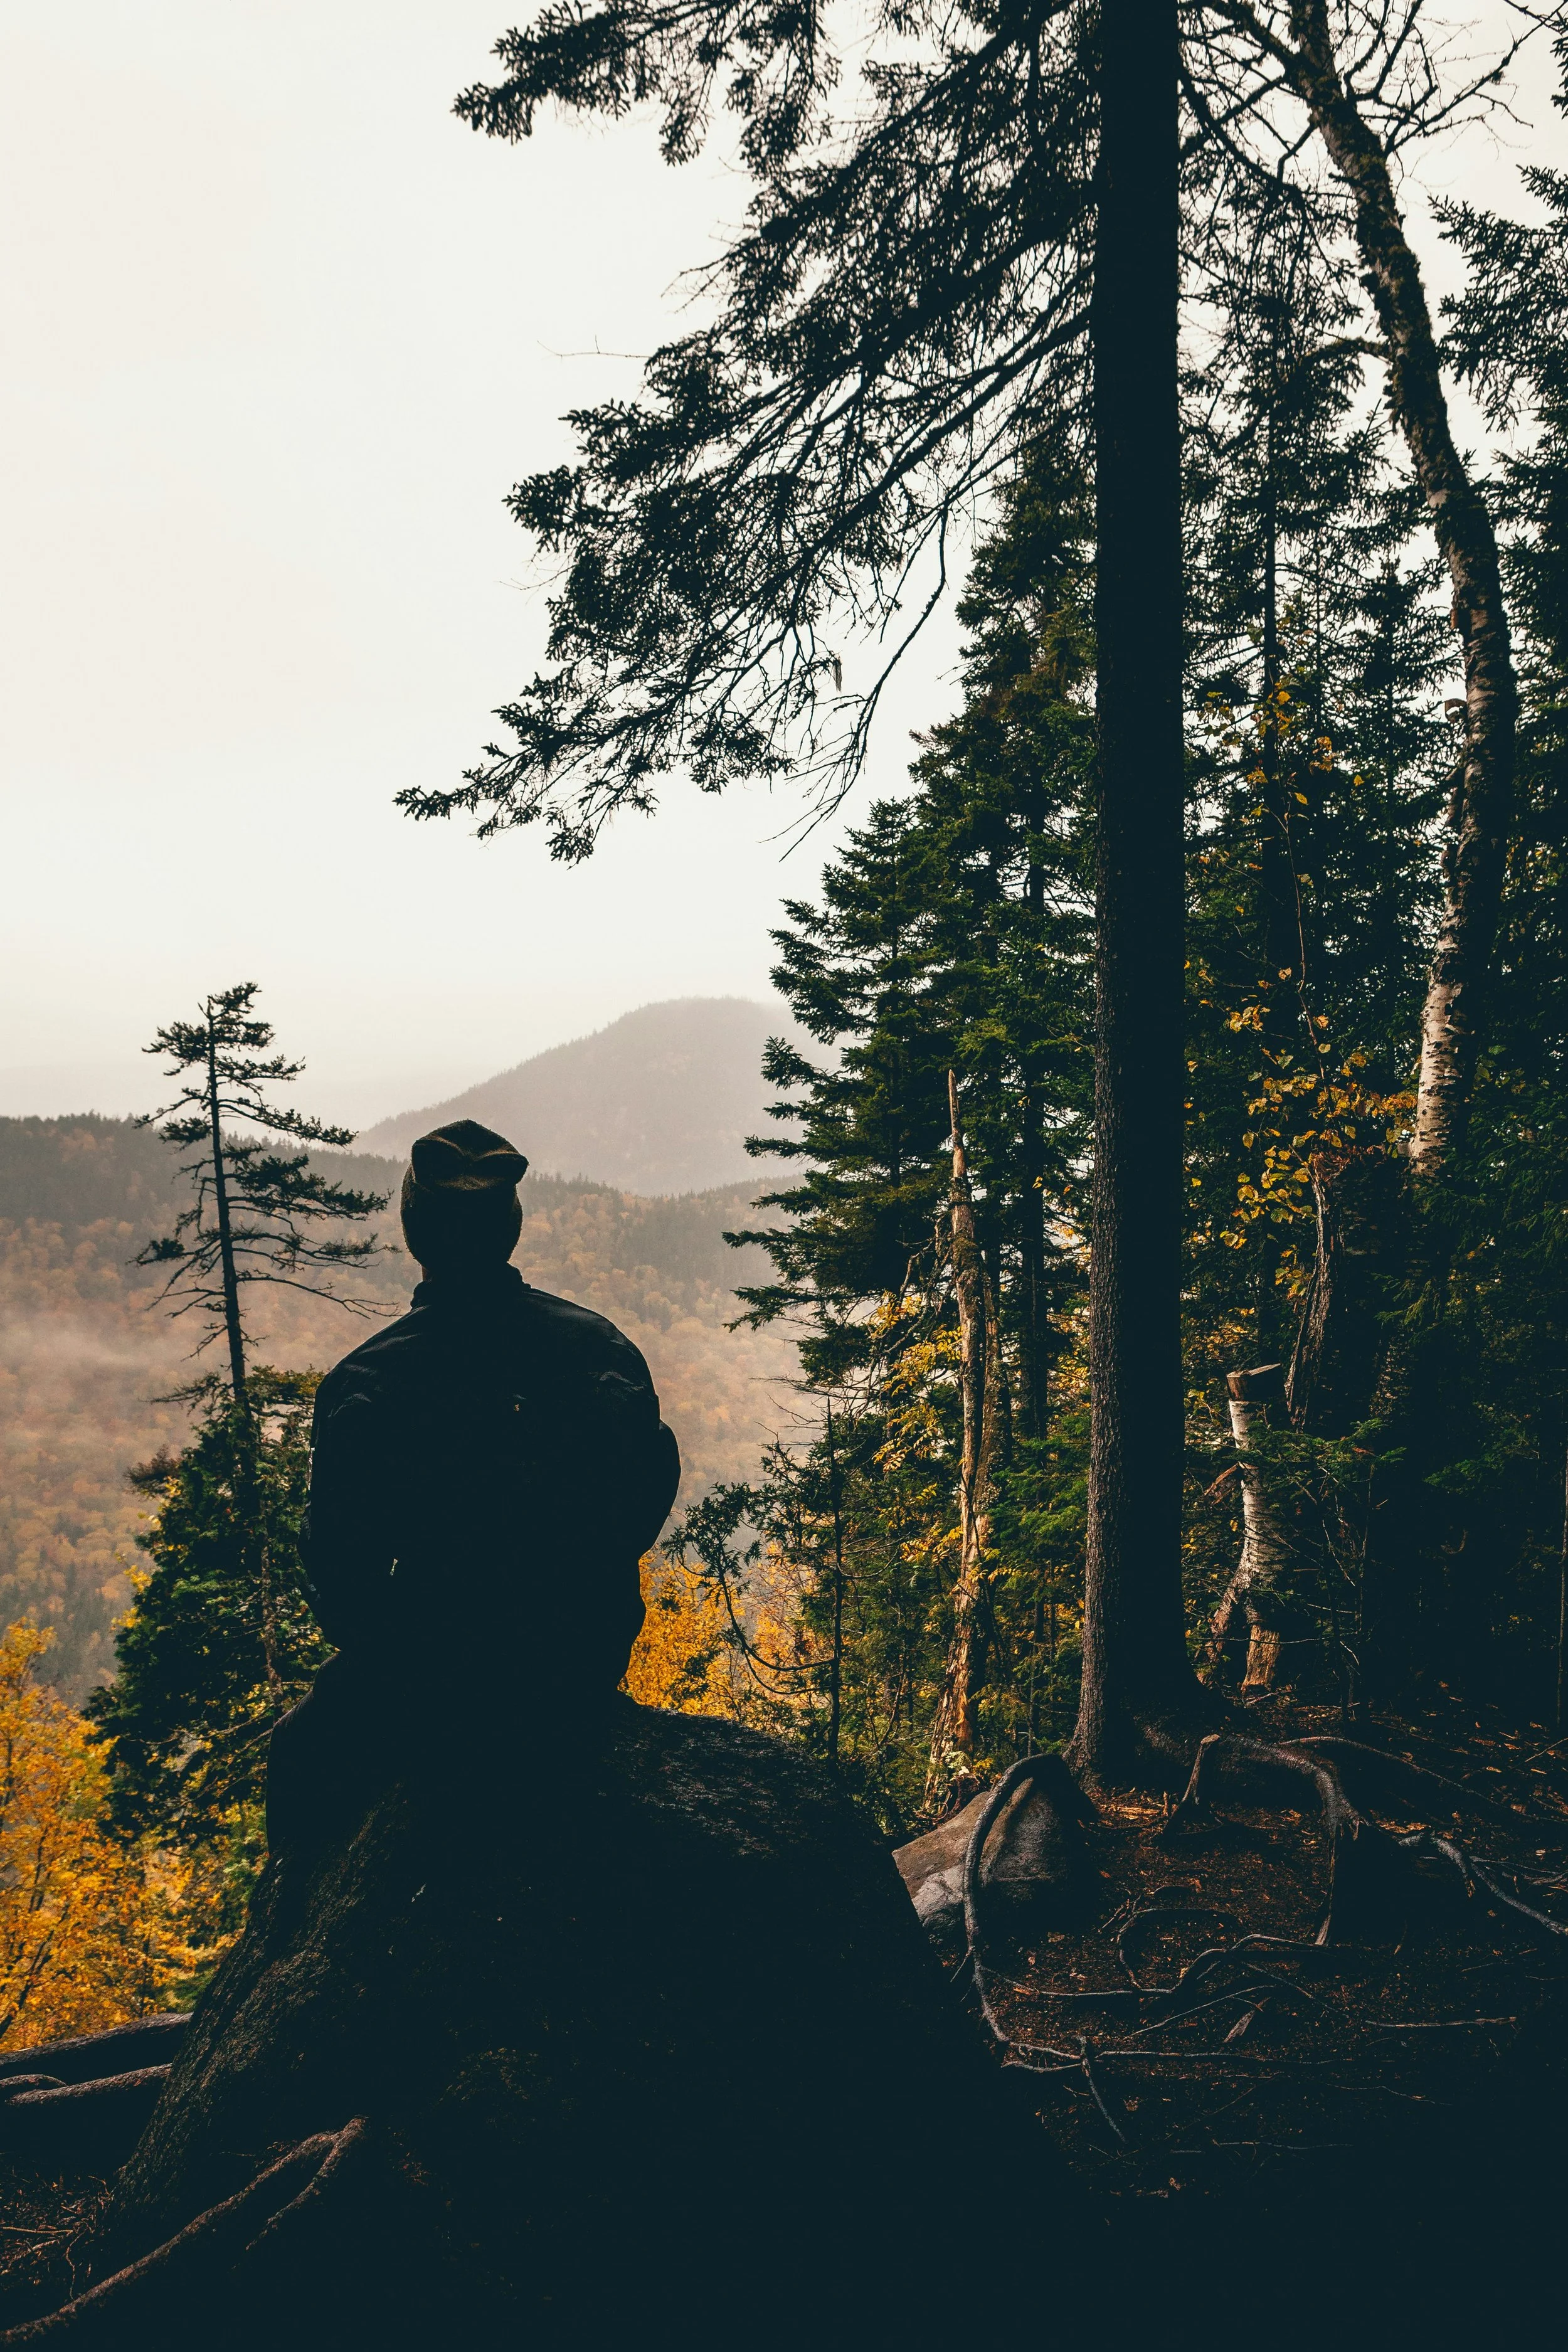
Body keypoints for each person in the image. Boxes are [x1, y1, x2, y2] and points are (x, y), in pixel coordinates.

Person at [267, 1118, 681, 1858]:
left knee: (300, 1761)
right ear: (510, 1227)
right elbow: (643, 1504)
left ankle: (295, 1932)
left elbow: (339, 1576)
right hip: (580, 1658)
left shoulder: (369, 1381)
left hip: (432, 1679)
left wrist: (414, 1653)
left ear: (414, 1229)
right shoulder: (599, 1349)